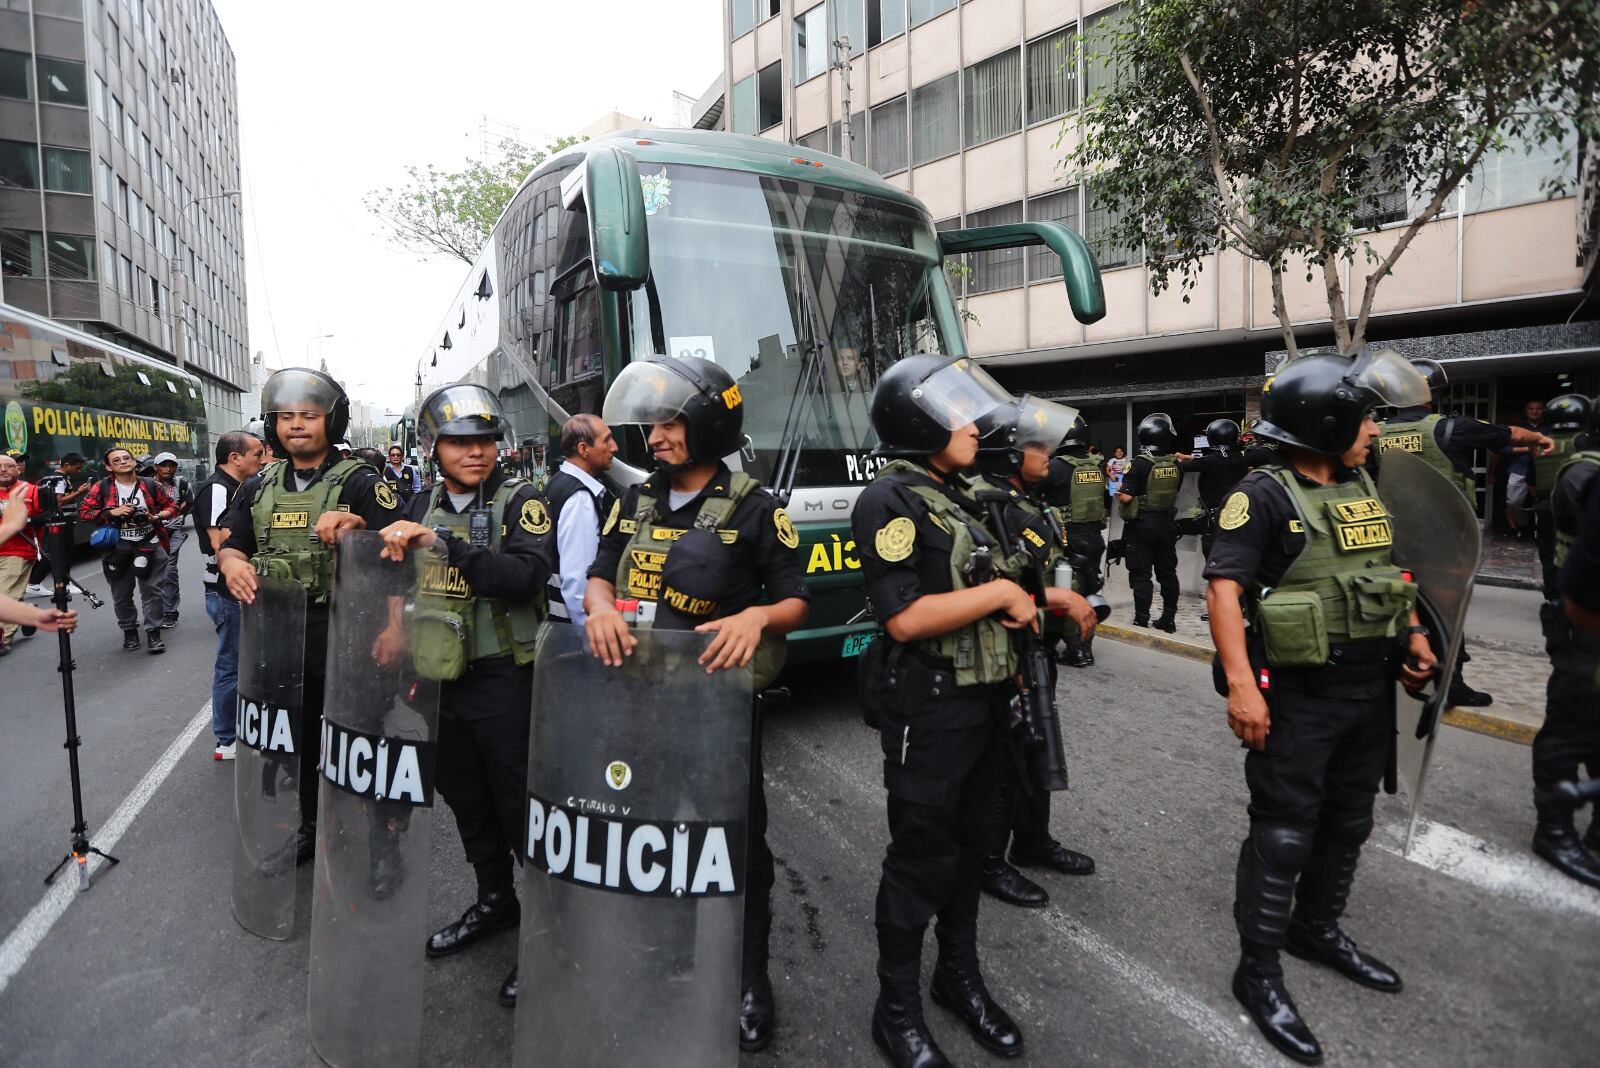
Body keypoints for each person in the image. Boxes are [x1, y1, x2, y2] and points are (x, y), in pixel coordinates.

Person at [1205, 350, 1441, 1066]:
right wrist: (1243, 686)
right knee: (1284, 832)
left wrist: (1414, 634)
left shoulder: (1362, 482)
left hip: (1366, 690)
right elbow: (1223, 591)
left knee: (1349, 820)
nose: (1375, 428)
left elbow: (1381, 573)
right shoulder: (1262, 494)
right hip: (1299, 693)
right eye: (1365, 416)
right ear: (1326, 419)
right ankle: (1259, 969)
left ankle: (1317, 928)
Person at [582, 356, 809, 1054]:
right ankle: (670, 957)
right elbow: (598, 573)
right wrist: (598, 612)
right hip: (642, 701)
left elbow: (795, 598)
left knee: (739, 846)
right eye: (653, 423)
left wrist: (757, 621)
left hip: (719, 707)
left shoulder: (755, 506)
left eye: (672, 421)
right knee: (654, 835)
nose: (656, 436)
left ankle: (749, 980)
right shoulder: (634, 497)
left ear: (711, 421)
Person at [851, 354, 1039, 1068]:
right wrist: (998, 598)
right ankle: (893, 1010)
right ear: (917, 421)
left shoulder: (958, 494)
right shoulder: (888, 500)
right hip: (929, 709)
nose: (970, 425)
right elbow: (903, 618)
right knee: (921, 860)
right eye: (954, 413)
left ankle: (956, 978)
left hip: (985, 703)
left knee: (971, 851)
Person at [378, 384, 554, 1006]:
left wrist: (450, 548)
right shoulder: (420, 501)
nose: (474, 452)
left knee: (517, 807)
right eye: (459, 442)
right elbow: (394, 568)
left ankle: (546, 933)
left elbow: (526, 577)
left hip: (505, 677)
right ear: (435, 448)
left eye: (483, 440)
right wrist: (394, 623)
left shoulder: (520, 500)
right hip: (438, 679)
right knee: (467, 799)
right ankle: (495, 901)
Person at [218, 368, 403, 864]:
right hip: (282, 635)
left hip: (348, 631)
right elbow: (232, 542)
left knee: (362, 737)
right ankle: (312, 826)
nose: (296, 425)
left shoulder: (362, 483)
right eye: (285, 417)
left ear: (331, 420)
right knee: (299, 737)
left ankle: (381, 842)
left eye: (308, 415)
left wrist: (392, 626)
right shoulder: (257, 487)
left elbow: (398, 556)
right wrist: (233, 565)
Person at [973, 396, 1099, 912]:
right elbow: (986, 589)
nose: (1047, 452)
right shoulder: (989, 506)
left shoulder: (1031, 500)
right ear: (1007, 454)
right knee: (1006, 758)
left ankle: (1033, 842)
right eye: (1035, 446)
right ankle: (988, 861)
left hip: (1038, 645)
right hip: (1004, 650)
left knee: (1035, 741)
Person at [1377, 357, 1555, 707]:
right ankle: (1450, 683)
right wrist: (1538, 438)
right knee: (1446, 609)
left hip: (1395, 533)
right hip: (1443, 537)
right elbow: (1507, 435)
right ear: (1432, 394)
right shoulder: (1448, 428)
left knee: (1407, 604)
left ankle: (1411, 668)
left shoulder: (1377, 433)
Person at [1530, 392, 1600, 889]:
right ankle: (1554, 828)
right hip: (1583, 623)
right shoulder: (1583, 474)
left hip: (1579, 610)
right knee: (1570, 726)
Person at [195, 430, 267, 760]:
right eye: (256, 454)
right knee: (231, 666)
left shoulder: (239, 487)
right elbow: (219, 543)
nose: (263, 460)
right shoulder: (218, 490)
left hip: (239, 589)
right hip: (226, 591)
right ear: (235, 458)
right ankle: (226, 738)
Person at [79, 447, 178, 654]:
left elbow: (171, 506)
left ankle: (153, 633)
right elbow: (85, 513)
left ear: (134, 462)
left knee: (153, 591)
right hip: (117, 547)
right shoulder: (102, 487)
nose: (123, 462)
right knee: (121, 594)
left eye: (127, 458)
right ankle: (129, 630)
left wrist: (157, 517)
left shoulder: (151, 484)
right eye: (117, 460)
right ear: (109, 467)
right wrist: (111, 512)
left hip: (149, 543)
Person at [1043, 414, 1109, 668]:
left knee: (1066, 592)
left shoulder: (1055, 466)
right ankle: (1085, 646)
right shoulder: (1095, 465)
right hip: (1094, 538)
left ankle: (1074, 649)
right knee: (1090, 588)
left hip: (1067, 540)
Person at [541, 414, 617, 625]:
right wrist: (591, 635)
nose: (614, 447)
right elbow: (579, 585)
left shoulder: (557, 484)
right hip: (574, 631)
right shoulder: (579, 498)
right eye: (607, 440)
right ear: (584, 449)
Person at [1117, 413, 1187, 631]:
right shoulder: (1176, 464)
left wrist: (1120, 492)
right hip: (1166, 524)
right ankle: (1168, 619)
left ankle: (1142, 618)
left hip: (1142, 526)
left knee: (1141, 574)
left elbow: (1127, 497)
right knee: (1167, 572)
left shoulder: (1137, 464)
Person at [1529, 394, 1588, 599]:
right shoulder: (1584, 442)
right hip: (1577, 507)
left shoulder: (1541, 443)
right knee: (1576, 551)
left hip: (1545, 505)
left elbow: (1531, 481)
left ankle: (1553, 597)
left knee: (1548, 554)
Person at [29, 453, 90, 596]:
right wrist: (79, 493)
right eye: (77, 467)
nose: (79, 471)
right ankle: (53, 583)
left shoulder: (62, 478)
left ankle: (41, 583)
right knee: (61, 552)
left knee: (58, 552)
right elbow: (59, 501)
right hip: (61, 521)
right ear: (66, 465)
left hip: (62, 521)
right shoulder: (59, 479)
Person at [0, 454, 40, 654]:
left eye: (9, 466)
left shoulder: (31, 491)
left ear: (19, 469)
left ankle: (3, 638)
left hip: (18, 551)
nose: (3, 469)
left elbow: (46, 520)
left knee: (6, 595)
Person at [151, 452, 194, 628]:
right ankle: (153, 611)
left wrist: (176, 514)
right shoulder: (147, 484)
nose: (168, 469)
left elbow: (189, 501)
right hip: (151, 533)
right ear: (156, 467)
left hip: (173, 532)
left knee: (169, 570)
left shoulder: (182, 484)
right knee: (151, 573)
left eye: (171, 465)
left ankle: (169, 612)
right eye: (163, 465)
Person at [1503, 399, 1546, 539]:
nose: (1534, 411)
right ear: (1526, 411)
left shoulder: (1549, 428)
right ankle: (1522, 524)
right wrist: (1528, 448)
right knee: (1513, 502)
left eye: (1538, 408)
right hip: (1519, 468)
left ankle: (1540, 533)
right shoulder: (1516, 429)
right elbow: (1505, 449)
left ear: (1543, 410)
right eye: (1531, 409)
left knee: (1543, 502)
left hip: (1542, 470)